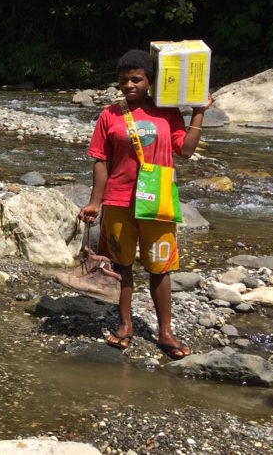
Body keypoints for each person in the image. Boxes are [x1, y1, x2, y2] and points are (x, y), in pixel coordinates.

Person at [77, 50, 210, 360]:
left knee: (160, 269)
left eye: (136, 79)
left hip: (158, 202)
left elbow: (186, 151)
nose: (129, 85)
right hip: (119, 200)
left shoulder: (168, 113)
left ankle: (165, 332)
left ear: (150, 81)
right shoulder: (110, 115)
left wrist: (199, 112)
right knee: (122, 266)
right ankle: (125, 326)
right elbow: (101, 160)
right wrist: (96, 201)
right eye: (124, 80)